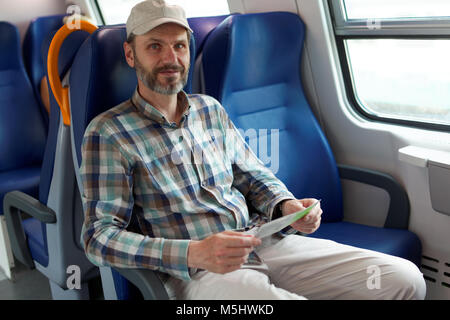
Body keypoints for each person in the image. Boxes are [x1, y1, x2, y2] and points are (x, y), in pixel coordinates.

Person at [80, 0, 426, 300]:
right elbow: (99, 238)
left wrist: (286, 204)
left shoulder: (209, 110)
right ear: (130, 54)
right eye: (155, 46)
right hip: (199, 272)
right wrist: (195, 252)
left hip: (262, 241)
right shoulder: (108, 133)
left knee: (404, 281)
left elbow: (252, 174)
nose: (171, 58)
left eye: (180, 46)